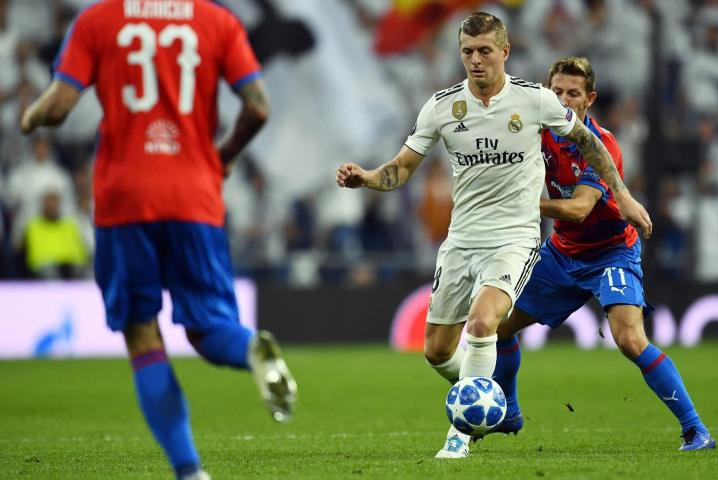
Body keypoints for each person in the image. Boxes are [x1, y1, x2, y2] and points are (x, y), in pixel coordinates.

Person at [336, 12, 652, 459]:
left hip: (515, 238)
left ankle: (460, 436)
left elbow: (589, 142)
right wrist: (367, 178)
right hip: (461, 240)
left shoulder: (535, 100)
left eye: (485, 51)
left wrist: (622, 196)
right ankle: (492, 399)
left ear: (505, 51)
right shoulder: (442, 107)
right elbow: (402, 168)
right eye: (468, 52)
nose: (476, 60)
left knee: (484, 324)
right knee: (437, 352)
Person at [20, 1, 298, 478]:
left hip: (124, 197)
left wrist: (30, 117)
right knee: (208, 328)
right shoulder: (217, 21)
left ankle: (190, 471)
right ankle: (253, 349)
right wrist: (225, 154)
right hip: (194, 193)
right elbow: (258, 106)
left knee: (142, 333)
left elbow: (60, 105)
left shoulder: (97, 20)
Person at [491, 56, 716, 452]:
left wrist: (522, 202)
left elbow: (579, 209)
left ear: (589, 99)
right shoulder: (536, 134)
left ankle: (696, 430)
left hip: (611, 253)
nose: (562, 100)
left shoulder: (602, 144)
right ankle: (509, 409)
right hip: (561, 254)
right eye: (556, 91)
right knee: (500, 326)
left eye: (572, 94)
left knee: (629, 339)